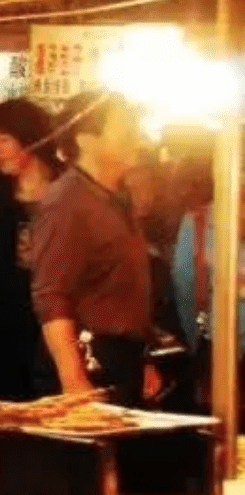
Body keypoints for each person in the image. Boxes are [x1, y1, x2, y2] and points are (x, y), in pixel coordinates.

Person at [29, 91, 152, 406]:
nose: (135, 135)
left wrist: (144, 357)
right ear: (86, 139)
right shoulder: (66, 202)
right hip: (90, 359)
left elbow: (125, 289)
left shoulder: (117, 197)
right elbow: (51, 296)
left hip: (123, 356)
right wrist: (74, 381)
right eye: (124, 127)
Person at [0, 99, 64, 401]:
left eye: (4, 139)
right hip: (5, 327)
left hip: (60, 322)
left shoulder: (68, 190)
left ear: (32, 138)